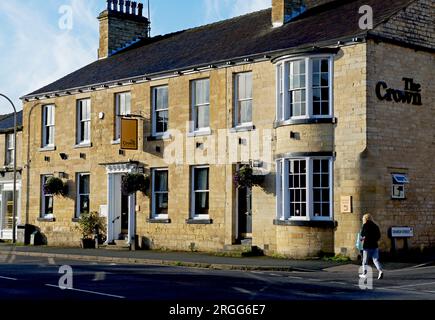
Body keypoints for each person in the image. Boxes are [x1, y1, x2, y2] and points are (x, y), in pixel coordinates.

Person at [359, 214, 384, 280]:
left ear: (365, 219)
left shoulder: (365, 225)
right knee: (375, 260)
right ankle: (380, 271)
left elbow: (362, 235)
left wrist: (362, 239)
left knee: (365, 261)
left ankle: (364, 274)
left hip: (367, 246)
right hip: (375, 245)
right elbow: (378, 236)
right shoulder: (376, 226)